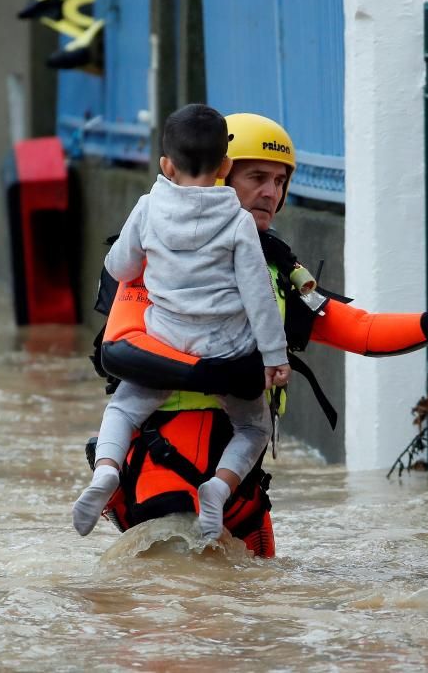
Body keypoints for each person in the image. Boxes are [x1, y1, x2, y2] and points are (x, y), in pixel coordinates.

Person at [85, 112, 428, 557]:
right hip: (163, 470)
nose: (272, 192)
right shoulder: (153, 259)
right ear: (222, 172)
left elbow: (360, 331)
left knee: (262, 612)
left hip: (235, 488)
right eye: (258, 177)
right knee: (173, 612)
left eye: (281, 182)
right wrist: (219, 373)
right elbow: (123, 350)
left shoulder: (281, 276)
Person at [73, 104, 291, 539]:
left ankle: (107, 471)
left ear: (165, 165)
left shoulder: (148, 207)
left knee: (123, 408)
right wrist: (274, 357)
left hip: (167, 346)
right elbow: (259, 296)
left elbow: (119, 267)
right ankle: (218, 488)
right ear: (225, 166)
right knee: (253, 427)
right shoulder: (236, 220)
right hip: (226, 351)